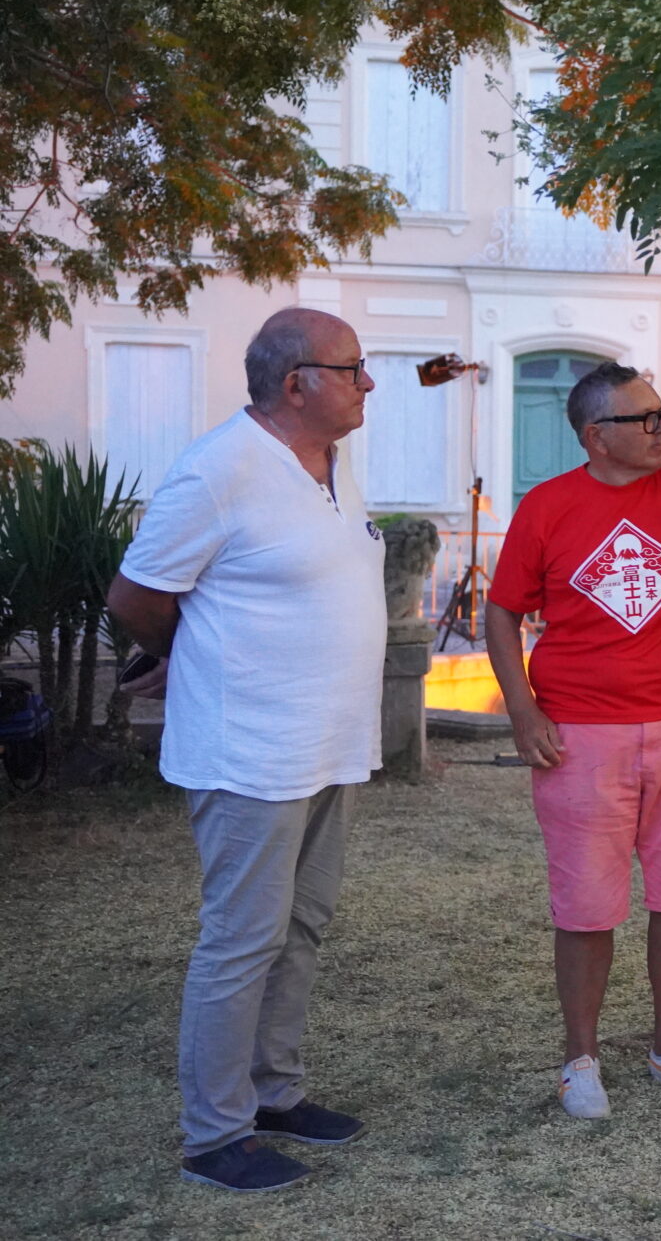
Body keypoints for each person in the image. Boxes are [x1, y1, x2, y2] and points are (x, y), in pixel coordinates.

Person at [107, 308, 384, 1193]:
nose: (368, 381)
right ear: (296, 383)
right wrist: (181, 651)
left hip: (330, 743)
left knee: (300, 927)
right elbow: (136, 596)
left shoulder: (335, 462)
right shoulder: (218, 468)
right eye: (352, 367)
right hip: (250, 751)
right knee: (242, 939)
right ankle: (214, 1135)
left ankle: (273, 1092)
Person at [485, 362, 661, 1118]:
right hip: (579, 735)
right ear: (595, 435)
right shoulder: (547, 506)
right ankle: (580, 1060)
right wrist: (523, 710)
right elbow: (502, 612)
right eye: (644, 419)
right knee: (586, 906)